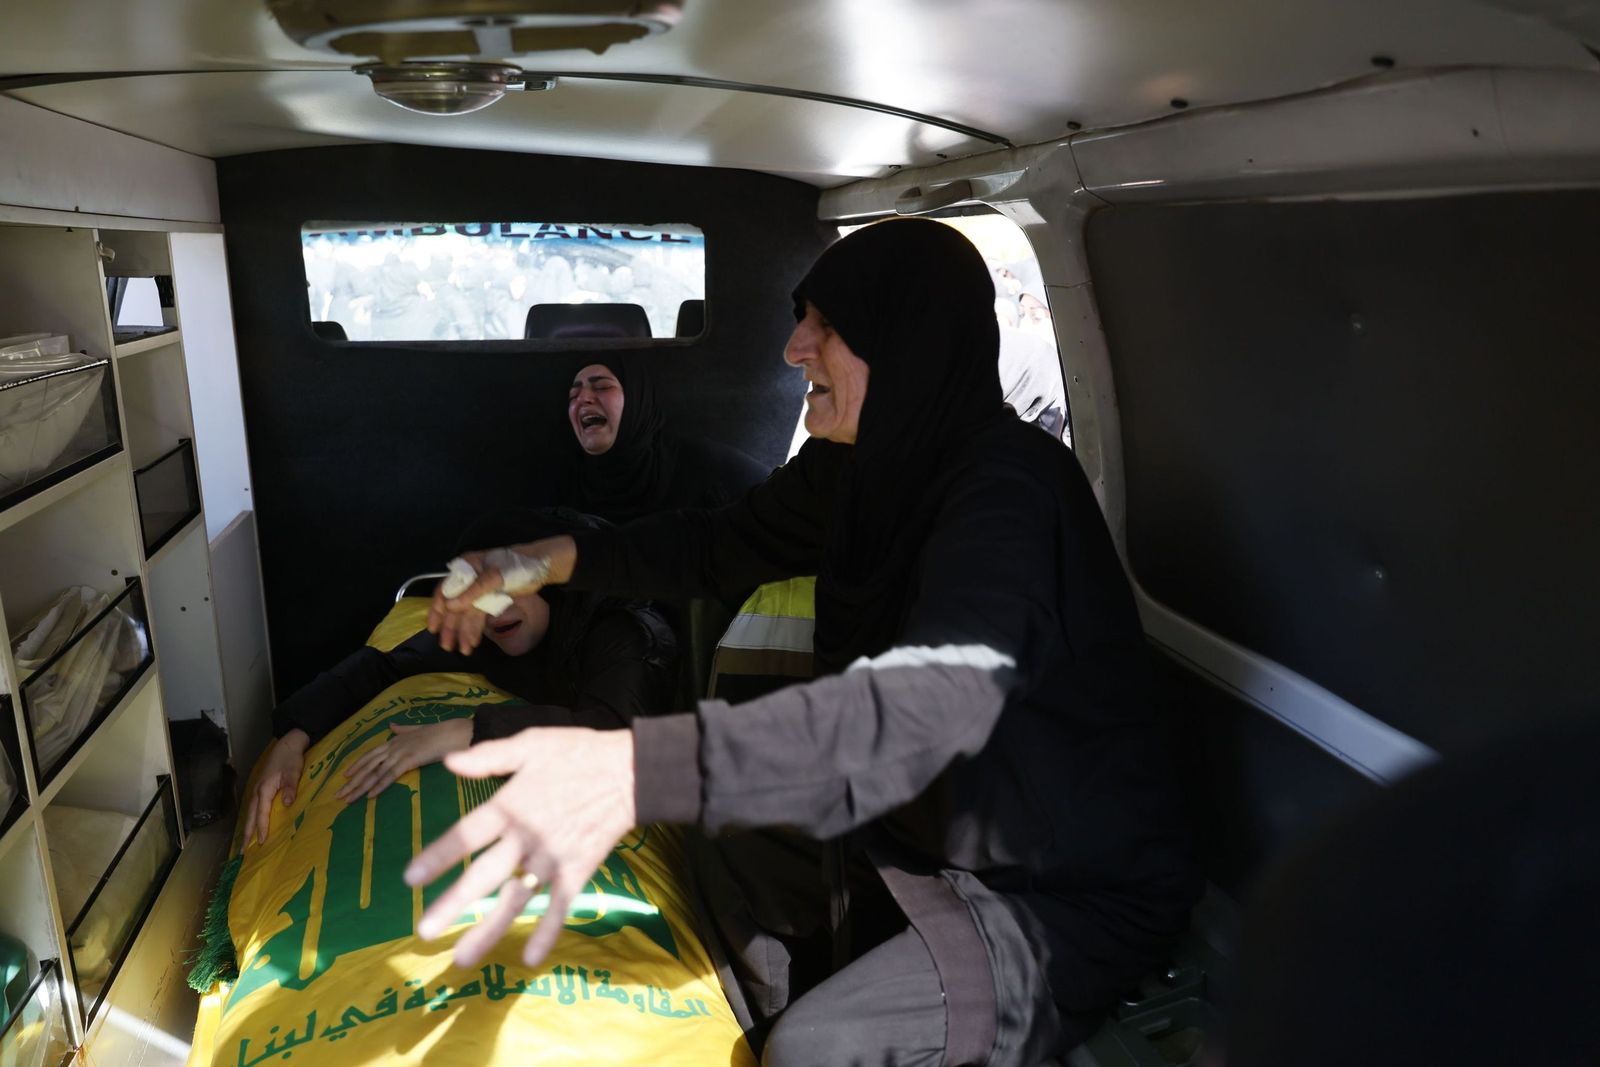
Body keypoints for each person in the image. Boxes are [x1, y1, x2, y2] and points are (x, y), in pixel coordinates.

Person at [413, 219, 1199, 1065]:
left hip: (1053, 889)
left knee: (815, 1048)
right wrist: (537, 560)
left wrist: (634, 766)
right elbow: (713, 545)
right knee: (722, 845)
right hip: (921, 824)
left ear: (906, 341)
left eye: (828, 326)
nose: (794, 349)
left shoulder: (1007, 492)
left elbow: (925, 707)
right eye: (803, 320)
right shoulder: (864, 467)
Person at [242, 507, 676, 847]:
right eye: (480, 594)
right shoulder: (487, 629)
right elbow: (385, 664)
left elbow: (618, 739)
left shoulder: (622, 628)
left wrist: (468, 732)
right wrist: (294, 735)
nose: (496, 608)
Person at [562, 356, 769, 523]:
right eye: (573, 395)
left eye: (602, 387)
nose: (583, 398)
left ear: (638, 401)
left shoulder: (705, 466)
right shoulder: (558, 483)